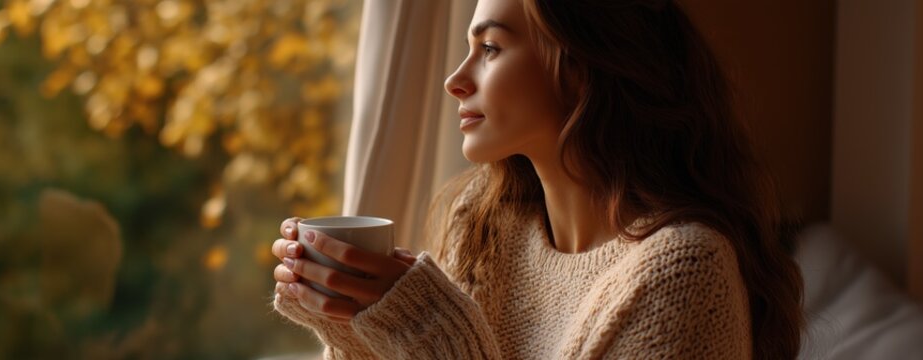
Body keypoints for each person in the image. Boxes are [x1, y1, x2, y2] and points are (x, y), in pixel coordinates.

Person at [269, 0, 804, 358]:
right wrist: (350, 322)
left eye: (491, 48)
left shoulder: (684, 271)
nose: (457, 80)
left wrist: (427, 326)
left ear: (583, 65)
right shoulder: (485, 226)